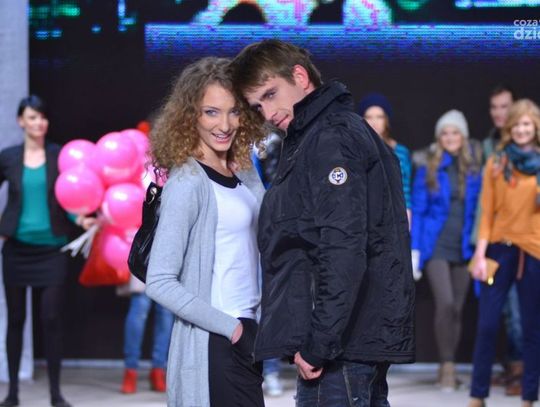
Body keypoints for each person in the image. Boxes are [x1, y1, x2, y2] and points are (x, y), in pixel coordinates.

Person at [231, 39, 415, 406]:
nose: (267, 112)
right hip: (352, 341)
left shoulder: (330, 136)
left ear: (300, 76)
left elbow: (342, 246)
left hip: (341, 347)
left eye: (270, 94)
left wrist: (319, 343)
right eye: (257, 105)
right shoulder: (326, 132)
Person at [144, 57, 266, 407]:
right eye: (211, 112)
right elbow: (160, 281)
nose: (224, 125)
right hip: (215, 341)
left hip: (248, 333)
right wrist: (233, 329)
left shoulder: (242, 170)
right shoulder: (187, 182)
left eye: (234, 112)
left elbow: (268, 228)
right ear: (190, 116)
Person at [0, 96, 95, 407]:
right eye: (32, 117)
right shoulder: (8, 157)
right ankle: (12, 393)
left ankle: (56, 393)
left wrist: (80, 218)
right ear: (21, 121)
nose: (38, 123)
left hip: (52, 250)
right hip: (16, 250)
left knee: (51, 319)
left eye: (42, 117)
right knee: (16, 320)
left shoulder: (59, 155)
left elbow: (67, 196)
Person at [468, 99, 540, 407]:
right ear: (509, 128)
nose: (522, 129)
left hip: (534, 251)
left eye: (527, 124)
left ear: (535, 127)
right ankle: (477, 395)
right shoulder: (498, 162)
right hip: (499, 249)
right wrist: (479, 254)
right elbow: (487, 211)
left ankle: (528, 397)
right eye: (517, 124)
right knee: (487, 325)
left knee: (531, 329)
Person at [410, 110, 482, 391]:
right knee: (446, 304)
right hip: (436, 245)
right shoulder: (429, 166)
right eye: (445, 133)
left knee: (458, 309)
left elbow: (478, 209)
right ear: (439, 138)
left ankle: (447, 366)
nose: (450, 137)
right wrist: (415, 250)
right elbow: (418, 209)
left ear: (463, 136)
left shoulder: (473, 168)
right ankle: (447, 366)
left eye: (455, 132)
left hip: (463, 247)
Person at [481, 85, 523, 396]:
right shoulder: (488, 145)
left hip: (524, 239)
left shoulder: (528, 143)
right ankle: (512, 367)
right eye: (494, 107)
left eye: (504, 106)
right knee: (504, 309)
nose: (499, 113)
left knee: (520, 308)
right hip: (496, 239)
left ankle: (521, 371)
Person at [358, 93, 412, 223]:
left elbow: (405, 187)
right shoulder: (355, 150)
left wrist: (407, 212)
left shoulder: (401, 151)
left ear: (386, 120)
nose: (374, 122)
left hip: (394, 214)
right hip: (364, 214)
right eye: (369, 117)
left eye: (380, 117)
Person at [118, 277, 173, 394]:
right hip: (144, 267)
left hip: (168, 269)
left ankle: (158, 370)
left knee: (165, 315)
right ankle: (130, 370)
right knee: (139, 310)